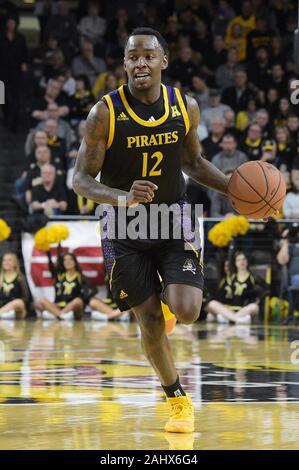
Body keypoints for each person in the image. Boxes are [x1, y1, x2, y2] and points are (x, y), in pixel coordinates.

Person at [72, 27, 229, 433]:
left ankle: (168, 297)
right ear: (124, 64)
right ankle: (177, 400)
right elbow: (80, 180)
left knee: (188, 311)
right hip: (122, 226)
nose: (140, 63)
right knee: (150, 322)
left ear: (163, 61)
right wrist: (122, 197)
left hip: (171, 220)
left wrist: (236, 189)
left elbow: (193, 164)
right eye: (132, 57)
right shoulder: (103, 113)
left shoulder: (184, 106)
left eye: (148, 56)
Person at [205, 252, 264, 324]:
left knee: (255, 307)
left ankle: (230, 318)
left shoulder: (253, 277)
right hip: (227, 309)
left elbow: (264, 291)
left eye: (243, 259)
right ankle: (236, 318)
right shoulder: (230, 277)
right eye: (238, 260)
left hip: (243, 310)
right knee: (210, 304)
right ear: (235, 263)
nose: (241, 262)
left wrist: (257, 298)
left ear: (247, 261)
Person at [34, 250, 88, 320]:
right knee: (41, 301)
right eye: (65, 260)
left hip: (72, 307)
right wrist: (48, 251)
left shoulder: (80, 276)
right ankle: (62, 315)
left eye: (70, 260)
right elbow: (52, 266)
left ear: (75, 262)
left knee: (78, 301)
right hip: (58, 306)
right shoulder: (59, 276)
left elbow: (91, 291)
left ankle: (56, 315)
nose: (68, 262)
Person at [0, 252, 29, 319]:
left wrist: (12, 304)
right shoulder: (0, 277)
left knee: (18, 302)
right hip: (2, 306)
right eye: (4, 260)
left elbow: (26, 298)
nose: (6, 262)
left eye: (9, 260)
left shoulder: (20, 278)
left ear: (15, 263)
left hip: (16, 309)